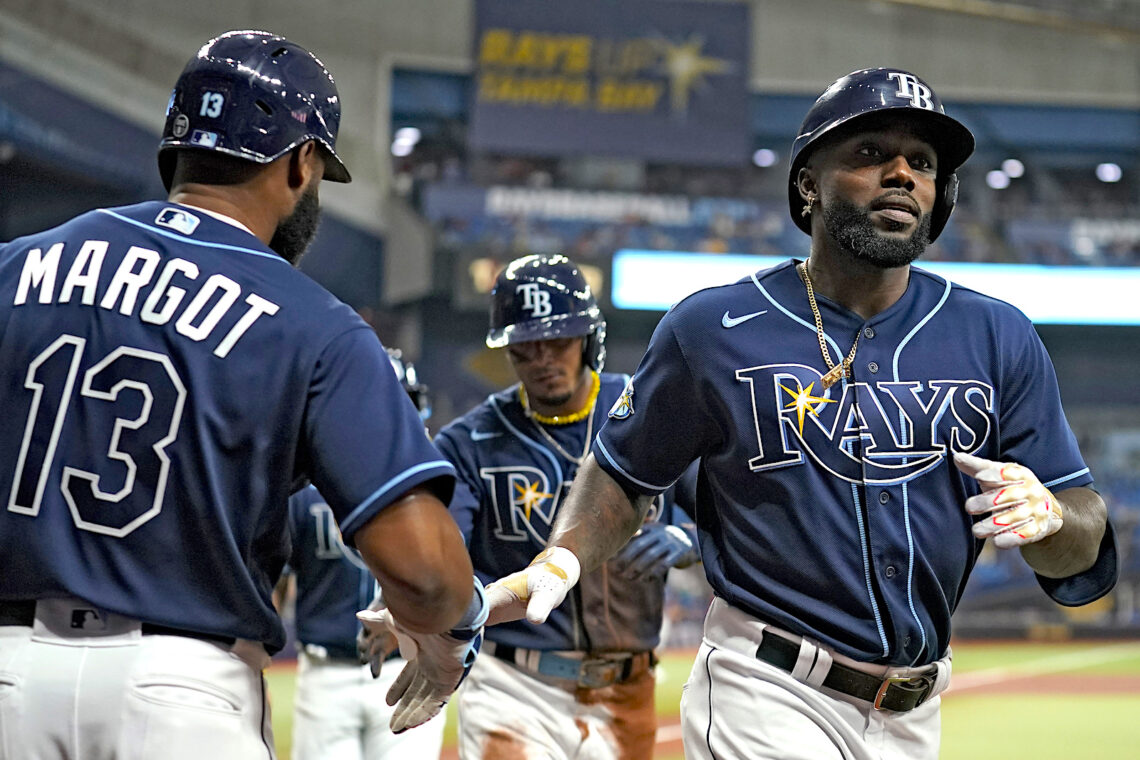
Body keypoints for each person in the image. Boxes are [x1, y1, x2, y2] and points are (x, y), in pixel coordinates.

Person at [480, 69, 1118, 760]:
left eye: (924, 164)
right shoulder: (712, 327)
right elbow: (625, 471)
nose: (902, 174)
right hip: (768, 683)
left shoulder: (998, 335)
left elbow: (1081, 543)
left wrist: (1052, 517)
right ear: (809, 184)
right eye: (871, 154)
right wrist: (559, 562)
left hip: (913, 709)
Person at [0, 30, 483, 759]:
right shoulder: (316, 323)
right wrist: (460, 623)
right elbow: (421, 573)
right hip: (177, 690)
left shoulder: (16, 265)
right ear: (301, 162)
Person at [432, 254, 699, 759]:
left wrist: (691, 537)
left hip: (628, 687)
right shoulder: (468, 442)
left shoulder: (643, 411)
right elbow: (447, 552)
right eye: (524, 349)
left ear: (588, 339)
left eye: (557, 342)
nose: (542, 360)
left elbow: (724, 503)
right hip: (511, 683)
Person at [281, 349, 447, 760]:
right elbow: (276, 578)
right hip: (325, 676)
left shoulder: (438, 488)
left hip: (408, 668)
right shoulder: (305, 488)